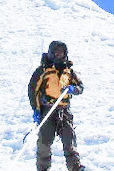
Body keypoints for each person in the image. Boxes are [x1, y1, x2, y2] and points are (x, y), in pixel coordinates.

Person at [28, 41, 85, 171]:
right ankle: (43, 168)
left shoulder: (69, 71)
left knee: (69, 139)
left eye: (62, 52)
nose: (59, 55)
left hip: (64, 111)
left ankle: (75, 167)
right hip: (48, 110)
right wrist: (36, 109)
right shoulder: (43, 70)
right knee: (44, 142)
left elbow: (80, 87)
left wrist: (73, 89)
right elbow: (33, 90)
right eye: (56, 52)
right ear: (51, 53)